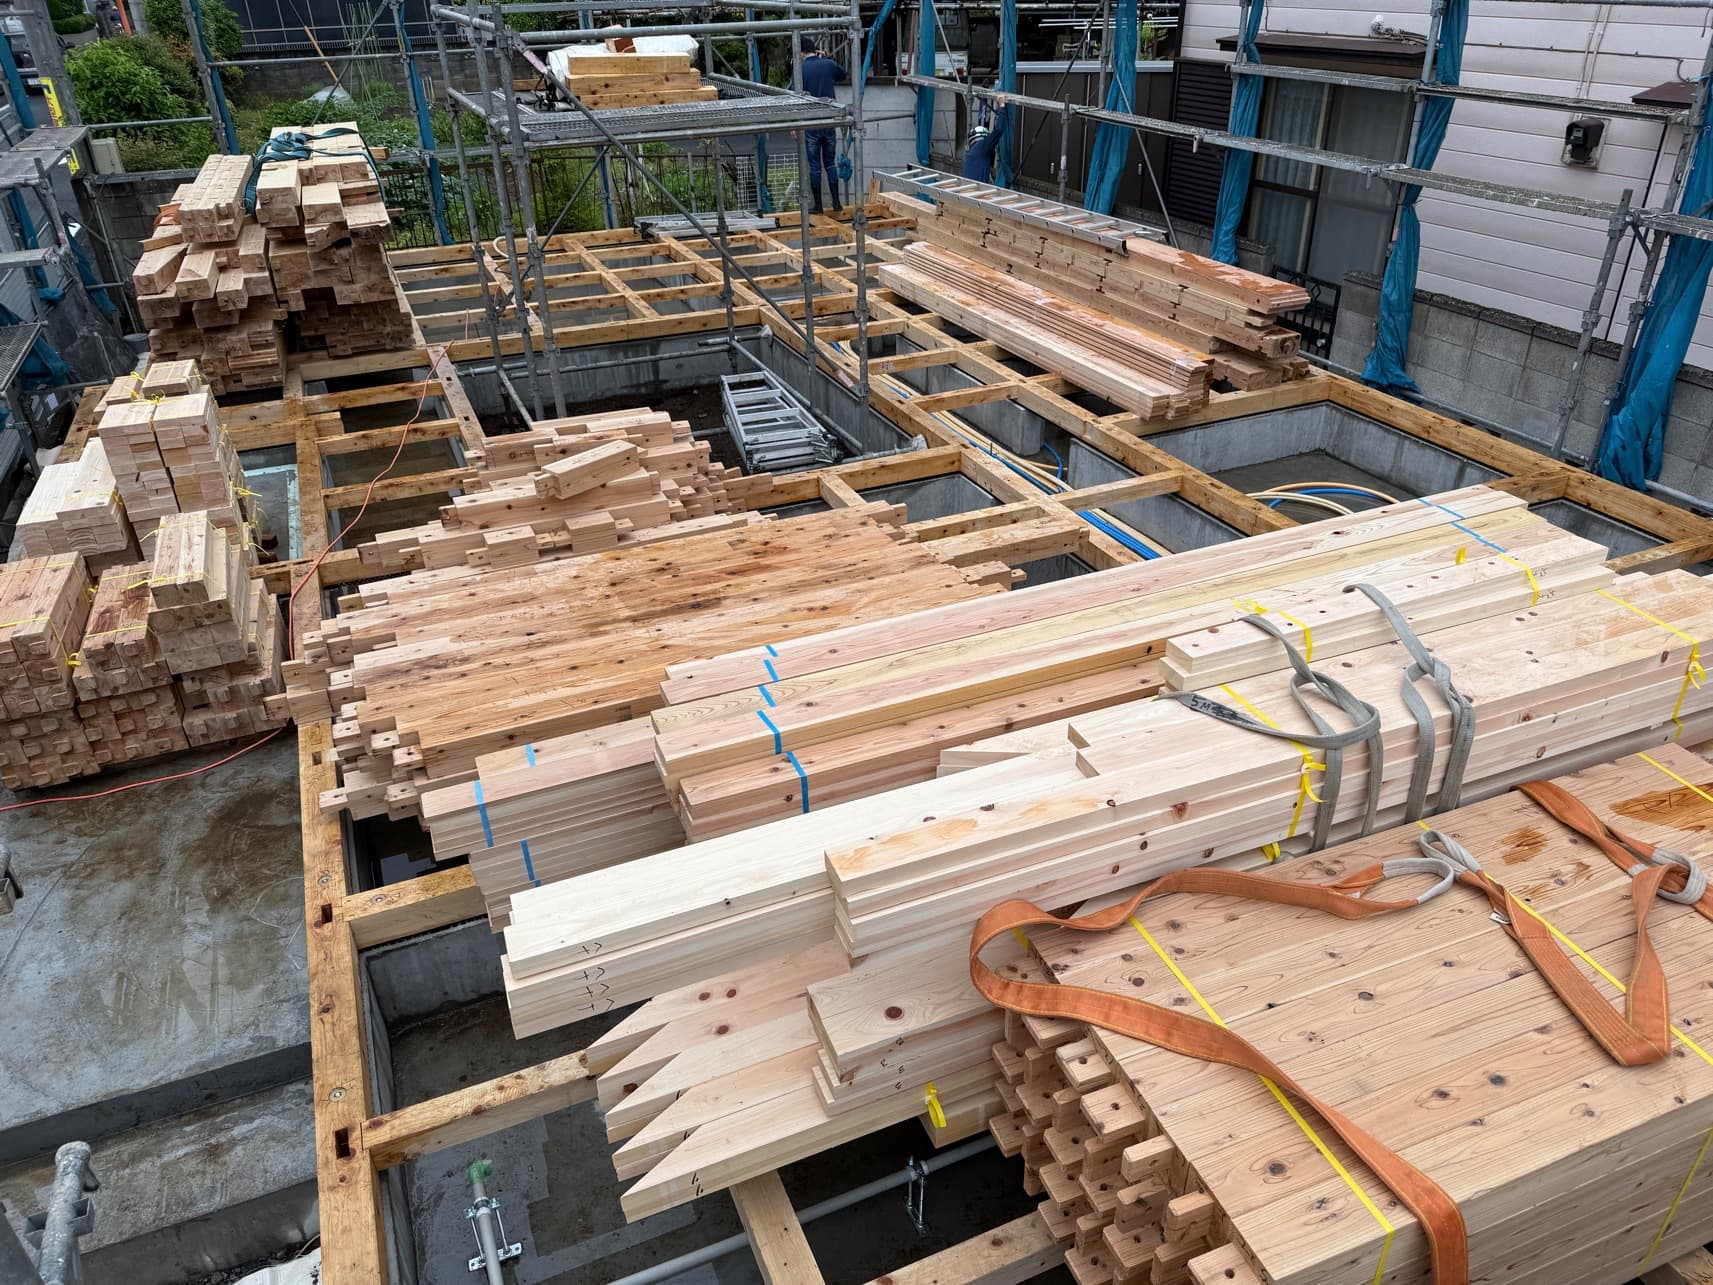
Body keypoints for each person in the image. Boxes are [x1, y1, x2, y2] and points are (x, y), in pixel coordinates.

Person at [801, 48, 848, 214]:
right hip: (829, 120)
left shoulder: (801, 69)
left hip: (811, 122)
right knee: (830, 163)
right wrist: (828, 58)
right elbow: (843, 75)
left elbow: (793, 92)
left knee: (815, 167)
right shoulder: (828, 64)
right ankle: (836, 203)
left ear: (802, 53)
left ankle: (818, 206)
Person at [961, 94, 1011, 182]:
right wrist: (1002, 106)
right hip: (978, 189)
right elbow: (998, 130)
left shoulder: (969, 154)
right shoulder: (983, 146)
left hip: (967, 187)